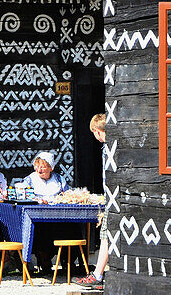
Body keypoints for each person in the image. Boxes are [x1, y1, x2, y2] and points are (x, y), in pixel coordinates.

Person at [74, 114, 110, 291]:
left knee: (106, 237)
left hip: (114, 198)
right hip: (111, 197)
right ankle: (98, 274)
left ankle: (98, 275)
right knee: (106, 236)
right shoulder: (109, 147)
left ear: (97, 131)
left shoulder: (109, 147)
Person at [21, 151, 66, 275]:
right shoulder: (30, 180)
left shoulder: (58, 179)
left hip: (58, 216)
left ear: (51, 168)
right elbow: (23, 196)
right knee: (42, 229)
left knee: (70, 227)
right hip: (37, 217)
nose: (39, 169)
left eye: (43, 166)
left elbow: (67, 194)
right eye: (37, 166)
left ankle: (68, 262)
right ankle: (44, 259)